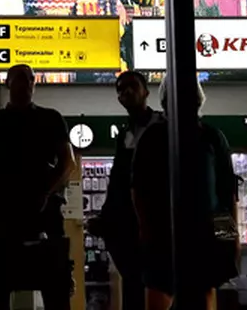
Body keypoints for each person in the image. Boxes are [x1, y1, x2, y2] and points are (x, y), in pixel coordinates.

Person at [0, 64, 76, 310]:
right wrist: (8, 197)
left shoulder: (51, 118)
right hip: (3, 216)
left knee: (56, 289)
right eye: (20, 79)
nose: (27, 84)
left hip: (45, 214)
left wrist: (45, 193)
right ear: (7, 83)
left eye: (31, 79)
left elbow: (68, 164)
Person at [132, 76, 238, 310]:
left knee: (166, 293)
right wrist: (229, 239)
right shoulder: (211, 137)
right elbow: (224, 196)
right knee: (202, 293)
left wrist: (147, 233)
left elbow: (138, 192)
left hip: (166, 236)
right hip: (193, 236)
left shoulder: (152, 137)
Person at [88, 71, 157, 310]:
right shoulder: (125, 134)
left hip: (155, 224)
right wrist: (105, 219)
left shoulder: (162, 127)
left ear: (146, 91)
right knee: (134, 286)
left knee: (155, 286)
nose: (125, 92)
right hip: (126, 230)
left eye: (131, 86)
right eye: (120, 89)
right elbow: (117, 182)